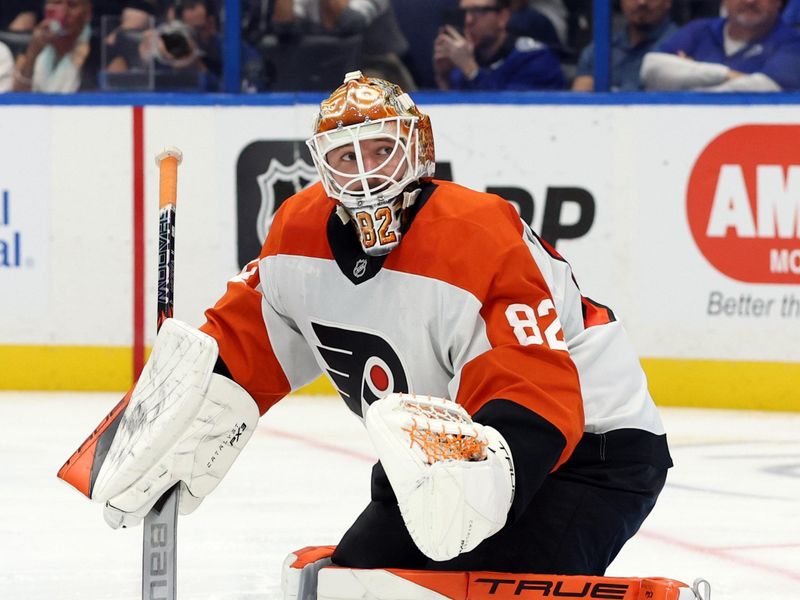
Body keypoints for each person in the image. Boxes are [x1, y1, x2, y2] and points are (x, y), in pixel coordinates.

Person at [59, 71, 676, 597]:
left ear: (417, 147)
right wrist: (160, 420)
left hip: (590, 451)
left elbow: (533, 388)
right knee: (354, 583)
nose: (363, 174)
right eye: (345, 157)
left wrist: (473, 485)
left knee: (486, 583)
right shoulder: (295, 234)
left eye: (379, 150)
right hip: (442, 460)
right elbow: (243, 347)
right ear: (321, 164)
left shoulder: (478, 232)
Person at [641, 0, 800, 91]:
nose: (749, 1)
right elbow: (650, 68)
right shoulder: (698, 30)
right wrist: (725, 75)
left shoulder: (793, 42)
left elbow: (765, 88)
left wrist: (691, 73)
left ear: (778, 1)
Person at [272, 0, 415, 90]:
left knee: (368, 88)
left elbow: (349, 23)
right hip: (321, 67)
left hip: (377, 66)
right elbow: (284, 28)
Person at [434, 0, 566, 90]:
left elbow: (508, 117)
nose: (469, 20)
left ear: (503, 17)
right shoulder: (464, 58)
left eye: (479, 11)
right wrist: (444, 78)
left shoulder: (535, 59)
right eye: (465, 12)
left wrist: (471, 70)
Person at [572, 0, 677, 91]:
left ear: (668, 1)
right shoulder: (596, 53)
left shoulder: (682, 48)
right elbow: (579, 106)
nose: (642, 2)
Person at [12, 0, 93, 92]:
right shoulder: (31, 47)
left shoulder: (99, 51)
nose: (64, 13)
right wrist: (33, 54)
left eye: (72, 5)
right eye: (56, 3)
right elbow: (17, 100)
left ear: (88, 13)